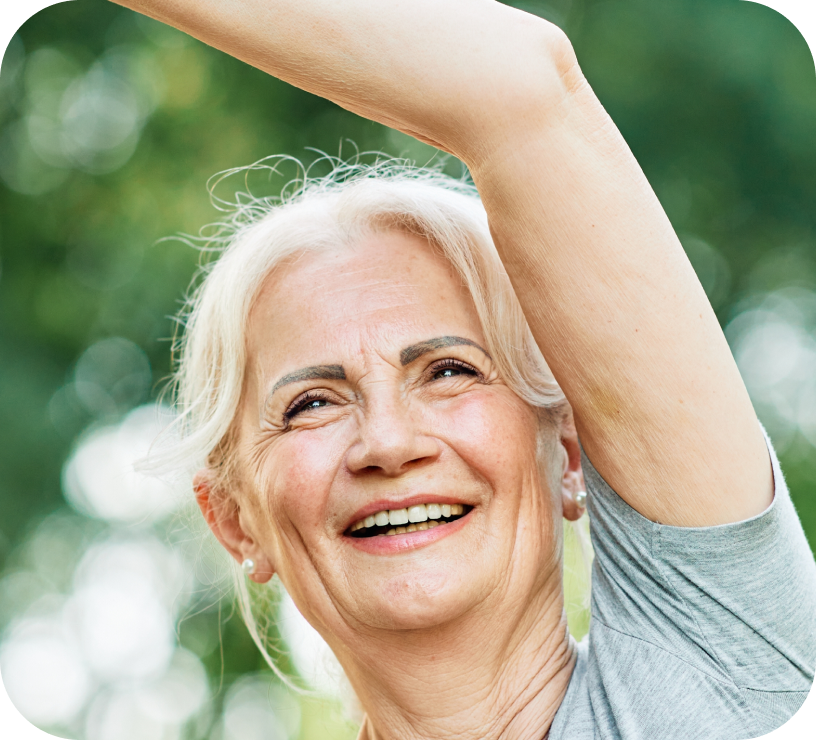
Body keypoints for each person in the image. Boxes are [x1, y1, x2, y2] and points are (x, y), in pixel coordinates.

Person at [114, 1, 816, 738]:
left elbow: (516, 87)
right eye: (312, 404)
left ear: (570, 451)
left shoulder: (721, 675)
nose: (388, 444)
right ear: (233, 522)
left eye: (449, 372)